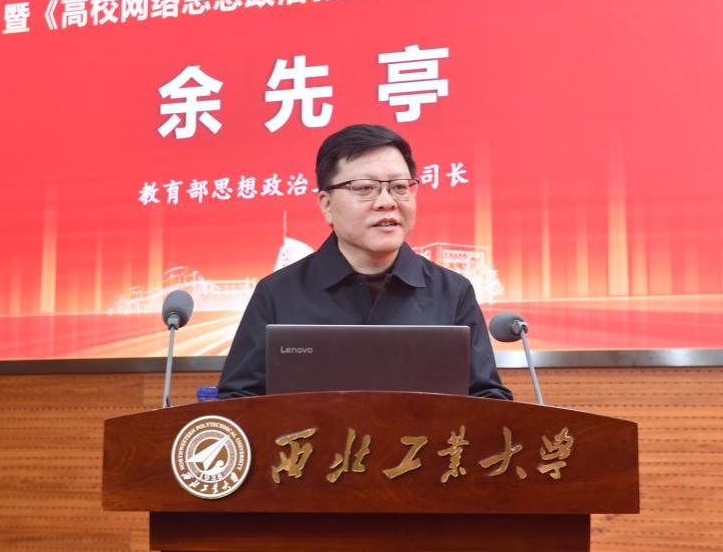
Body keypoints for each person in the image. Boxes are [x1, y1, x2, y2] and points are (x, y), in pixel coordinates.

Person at [218, 124, 512, 400]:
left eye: (399, 187)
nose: (387, 201)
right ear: (327, 204)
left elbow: (487, 400)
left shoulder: (452, 292)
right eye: (364, 188)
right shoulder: (278, 293)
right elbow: (238, 401)